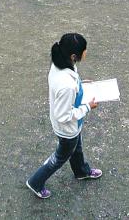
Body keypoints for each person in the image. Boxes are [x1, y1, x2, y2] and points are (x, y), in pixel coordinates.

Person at [26, 33, 102, 200]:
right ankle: (35, 182)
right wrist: (87, 107)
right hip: (67, 129)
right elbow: (63, 116)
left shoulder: (61, 62)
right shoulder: (66, 85)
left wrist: (81, 85)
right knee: (60, 157)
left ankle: (81, 171)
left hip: (73, 126)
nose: (86, 52)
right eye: (84, 50)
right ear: (73, 56)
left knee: (76, 148)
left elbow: (70, 85)